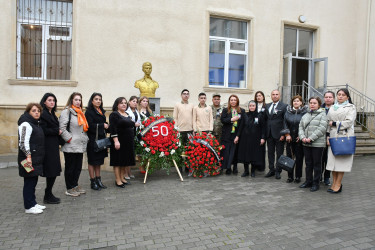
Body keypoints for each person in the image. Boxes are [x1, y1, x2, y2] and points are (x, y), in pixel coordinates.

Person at [326, 88, 356, 193]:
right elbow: (328, 121)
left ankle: (338, 184)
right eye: (339, 94)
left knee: (341, 163)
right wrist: (328, 136)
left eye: (343, 94)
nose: (340, 96)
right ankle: (334, 183)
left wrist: (335, 124)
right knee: (332, 163)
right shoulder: (333, 107)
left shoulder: (351, 107)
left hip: (344, 136)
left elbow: (349, 122)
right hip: (333, 136)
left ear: (347, 97)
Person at [18, 103, 46, 214]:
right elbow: (23, 143)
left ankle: (33, 203)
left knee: (33, 180)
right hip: (28, 159)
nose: (36, 112)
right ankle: (28, 206)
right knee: (29, 182)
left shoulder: (35, 124)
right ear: (28, 112)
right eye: (34, 110)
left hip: (35, 158)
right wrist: (28, 156)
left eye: (38, 111)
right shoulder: (25, 124)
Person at [59, 92, 89, 197]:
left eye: (79, 100)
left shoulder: (81, 113)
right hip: (70, 145)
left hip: (80, 145)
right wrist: (69, 139)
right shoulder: (67, 112)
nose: (78, 102)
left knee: (78, 167)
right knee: (70, 167)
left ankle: (75, 185)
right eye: (76, 99)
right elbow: (62, 128)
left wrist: (85, 139)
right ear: (71, 100)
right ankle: (69, 188)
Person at [298, 96, 327, 192]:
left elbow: (322, 128)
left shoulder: (323, 114)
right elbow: (301, 127)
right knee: (308, 164)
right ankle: (308, 181)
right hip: (306, 143)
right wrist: (303, 138)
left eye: (314, 103)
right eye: (311, 103)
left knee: (317, 164)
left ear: (319, 104)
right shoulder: (305, 115)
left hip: (317, 144)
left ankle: (316, 183)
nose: (312, 105)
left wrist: (310, 138)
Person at [39, 93, 62, 204]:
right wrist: (56, 131)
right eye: (49, 100)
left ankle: (48, 193)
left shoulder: (52, 113)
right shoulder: (43, 114)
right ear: (44, 102)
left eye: (53, 100)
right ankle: (47, 195)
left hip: (53, 144)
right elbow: (43, 130)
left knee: (54, 170)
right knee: (51, 170)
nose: (52, 102)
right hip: (47, 145)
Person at [235, 100, 266, 177]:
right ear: (248, 107)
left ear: (255, 107)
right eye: (250, 106)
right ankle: (246, 171)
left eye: (253, 106)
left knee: (254, 155)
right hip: (245, 139)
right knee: (245, 155)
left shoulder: (260, 115)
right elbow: (241, 127)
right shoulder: (245, 115)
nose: (252, 107)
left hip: (255, 139)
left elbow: (263, 128)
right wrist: (237, 136)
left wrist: (263, 138)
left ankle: (252, 171)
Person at [281, 95, 307, 183]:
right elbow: (284, 123)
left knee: (299, 158)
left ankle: (298, 176)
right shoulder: (288, 112)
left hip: (299, 138)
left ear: (301, 102)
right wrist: (287, 134)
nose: (296, 102)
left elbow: (305, 125)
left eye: (298, 101)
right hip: (289, 138)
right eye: (294, 101)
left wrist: (301, 135)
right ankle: (290, 176)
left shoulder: (304, 112)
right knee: (289, 157)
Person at [85, 93, 109, 191]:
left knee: (98, 161)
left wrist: (106, 125)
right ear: (92, 101)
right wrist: (102, 125)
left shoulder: (101, 111)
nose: (98, 101)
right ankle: (92, 181)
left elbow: (103, 123)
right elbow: (89, 126)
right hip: (92, 140)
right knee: (92, 161)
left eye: (100, 99)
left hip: (101, 139)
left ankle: (99, 180)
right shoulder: (89, 112)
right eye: (96, 99)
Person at [109, 97, 135, 188]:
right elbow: (113, 128)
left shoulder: (127, 114)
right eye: (121, 103)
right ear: (117, 105)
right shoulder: (114, 115)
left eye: (125, 103)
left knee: (124, 160)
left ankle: (122, 177)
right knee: (118, 161)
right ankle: (118, 180)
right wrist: (116, 141)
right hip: (119, 141)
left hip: (127, 141)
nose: (124, 104)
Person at [264, 89, 287, 179]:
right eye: (273, 94)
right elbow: (266, 119)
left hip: (279, 134)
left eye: (277, 94)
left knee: (279, 153)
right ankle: (271, 169)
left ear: (279, 95)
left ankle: (278, 171)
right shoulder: (267, 106)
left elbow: (285, 121)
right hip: (269, 133)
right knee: (270, 153)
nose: (275, 96)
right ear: (271, 95)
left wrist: (283, 134)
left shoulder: (284, 106)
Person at [221, 95, 245, 175]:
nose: (233, 101)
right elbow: (223, 120)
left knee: (235, 152)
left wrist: (238, 136)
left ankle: (235, 166)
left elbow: (242, 125)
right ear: (229, 101)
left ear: (237, 101)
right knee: (227, 152)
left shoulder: (242, 111)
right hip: (227, 134)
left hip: (236, 134)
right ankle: (228, 168)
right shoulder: (225, 110)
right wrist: (231, 119)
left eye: (235, 100)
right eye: (231, 100)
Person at [321, 91, 335, 186]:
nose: (328, 98)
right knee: (320, 158)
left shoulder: (336, 109)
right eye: (326, 97)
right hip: (320, 136)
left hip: (331, 136)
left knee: (328, 158)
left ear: (333, 98)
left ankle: (327, 177)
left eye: (330, 97)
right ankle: (318, 176)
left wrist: (328, 136)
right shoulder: (320, 108)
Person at [126, 96, 141, 180]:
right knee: (127, 155)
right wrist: (134, 124)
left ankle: (129, 171)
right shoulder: (126, 111)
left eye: (136, 101)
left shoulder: (136, 111)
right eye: (133, 101)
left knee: (131, 155)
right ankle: (126, 173)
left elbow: (138, 121)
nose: (135, 103)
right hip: (128, 134)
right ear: (129, 102)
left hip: (134, 134)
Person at [138, 96, 153, 174]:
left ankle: (147, 164)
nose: (145, 102)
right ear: (140, 102)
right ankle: (141, 165)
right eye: (144, 101)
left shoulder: (149, 111)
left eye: (147, 101)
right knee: (140, 149)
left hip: (148, 133)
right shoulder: (137, 111)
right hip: (140, 132)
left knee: (148, 149)